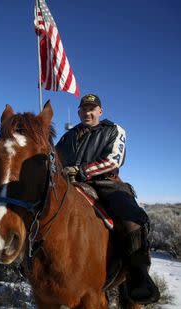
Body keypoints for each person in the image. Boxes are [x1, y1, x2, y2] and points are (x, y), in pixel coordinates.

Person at [56, 93, 160, 304]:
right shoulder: (67, 137)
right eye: (84, 109)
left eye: (92, 108)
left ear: (100, 111)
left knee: (132, 218)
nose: (88, 112)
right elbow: (55, 161)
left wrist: (81, 170)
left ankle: (138, 275)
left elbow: (114, 160)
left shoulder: (113, 130)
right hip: (71, 185)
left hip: (105, 183)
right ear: (79, 112)